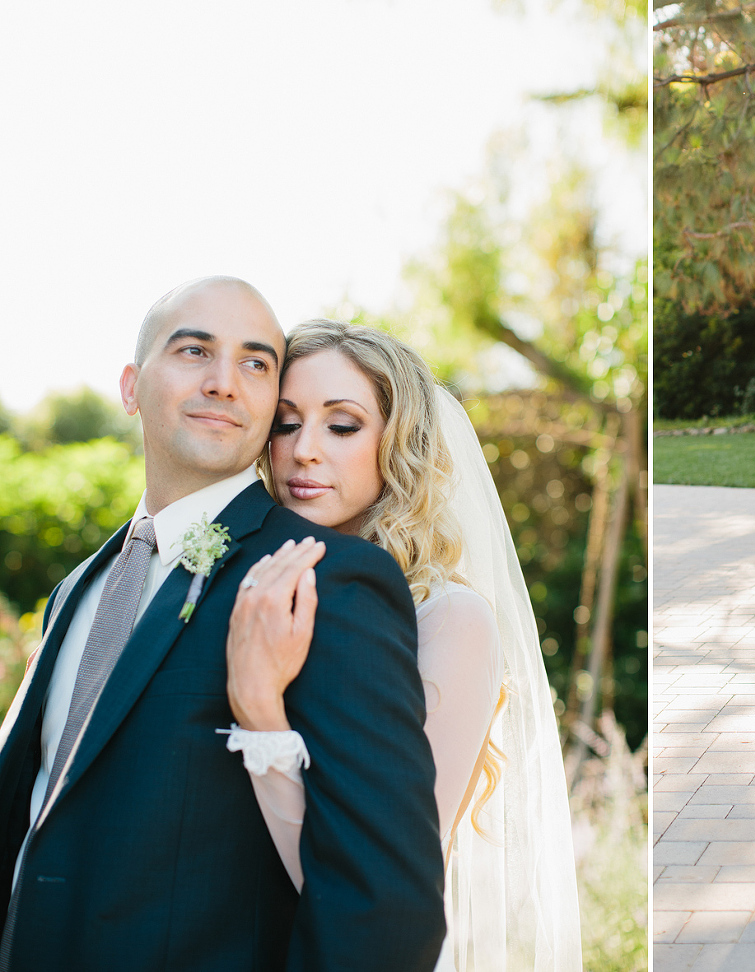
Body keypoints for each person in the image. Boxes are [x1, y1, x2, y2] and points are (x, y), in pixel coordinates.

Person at [0, 279, 444, 971]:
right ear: (130, 387)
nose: (225, 382)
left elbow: (384, 909)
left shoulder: (328, 584)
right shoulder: (74, 591)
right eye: (194, 350)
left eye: (256, 363)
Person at [222, 320, 582, 971]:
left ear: (399, 443)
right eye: (285, 422)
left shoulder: (448, 619)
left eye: (342, 425)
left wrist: (259, 711)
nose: (304, 450)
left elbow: (380, 884)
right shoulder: (247, 591)